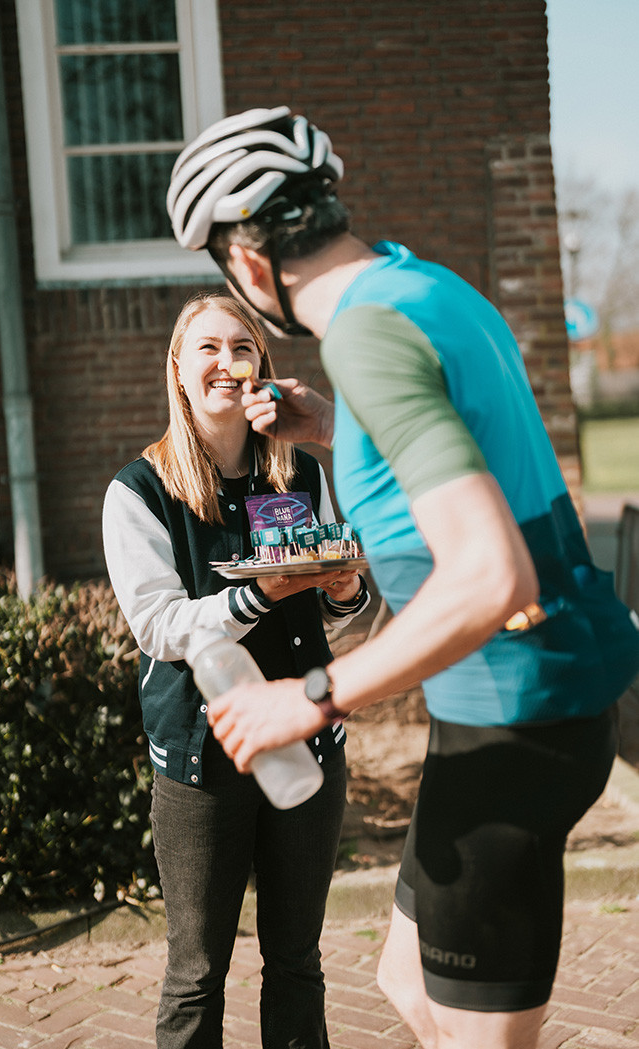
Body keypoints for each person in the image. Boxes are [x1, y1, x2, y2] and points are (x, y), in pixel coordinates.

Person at [165, 107, 639, 1049]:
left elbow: (488, 574)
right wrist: (339, 429)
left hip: (519, 718)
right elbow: (473, 458)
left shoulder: (364, 338)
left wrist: (309, 697)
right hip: (515, 703)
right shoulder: (425, 287)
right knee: (400, 975)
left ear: (248, 266)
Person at [102, 291, 369, 1049]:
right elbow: (157, 627)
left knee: (296, 959)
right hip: (201, 754)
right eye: (209, 348)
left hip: (307, 742)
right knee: (195, 971)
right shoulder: (138, 491)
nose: (227, 361)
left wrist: (344, 588)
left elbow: (326, 608)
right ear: (178, 370)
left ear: (262, 365)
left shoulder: (299, 473)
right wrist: (256, 593)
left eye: (243, 347)